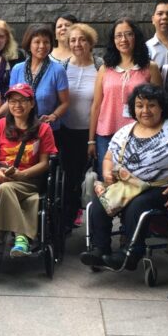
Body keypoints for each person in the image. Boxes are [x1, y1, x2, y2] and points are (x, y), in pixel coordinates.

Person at [80, 84, 168, 269]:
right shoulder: (125, 132)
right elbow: (108, 157)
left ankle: (130, 254)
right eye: (140, 106)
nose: (145, 110)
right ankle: (100, 250)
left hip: (163, 186)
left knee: (138, 205)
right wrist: (107, 172)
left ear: (161, 107)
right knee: (99, 204)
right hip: (127, 186)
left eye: (151, 105)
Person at [0, 83, 59, 256]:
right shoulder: (0, 125)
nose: (17, 105)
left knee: (4, 190)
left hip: (29, 180)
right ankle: (22, 239)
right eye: (12, 100)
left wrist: (22, 174)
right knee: (3, 188)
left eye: (23, 100)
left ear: (31, 103)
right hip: (2, 176)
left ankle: (16, 237)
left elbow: (45, 163)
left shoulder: (43, 129)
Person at [89, 18, 162, 170]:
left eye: (128, 34)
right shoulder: (105, 69)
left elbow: (159, 105)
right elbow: (96, 105)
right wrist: (91, 140)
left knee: (134, 178)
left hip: (139, 133)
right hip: (106, 133)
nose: (123, 39)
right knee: (107, 178)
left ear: (136, 36)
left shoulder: (150, 68)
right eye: (118, 35)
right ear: (113, 40)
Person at [58, 23, 101, 227]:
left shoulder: (100, 66)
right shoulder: (62, 67)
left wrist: (92, 138)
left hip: (92, 132)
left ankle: (95, 221)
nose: (77, 44)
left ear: (90, 42)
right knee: (68, 178)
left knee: (91, 179)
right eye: (73, 40)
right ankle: (67, 220)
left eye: (82, 39)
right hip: (66, 131)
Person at [1, 24, 70, 133]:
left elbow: (65, 102)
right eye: (37, 42)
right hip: (20, 129)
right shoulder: (17, 69)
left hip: (48, 129)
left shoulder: (58, 70)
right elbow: (11, 101)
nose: (42, 46)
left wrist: (53, 116)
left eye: (46, 42)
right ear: (29, 45)